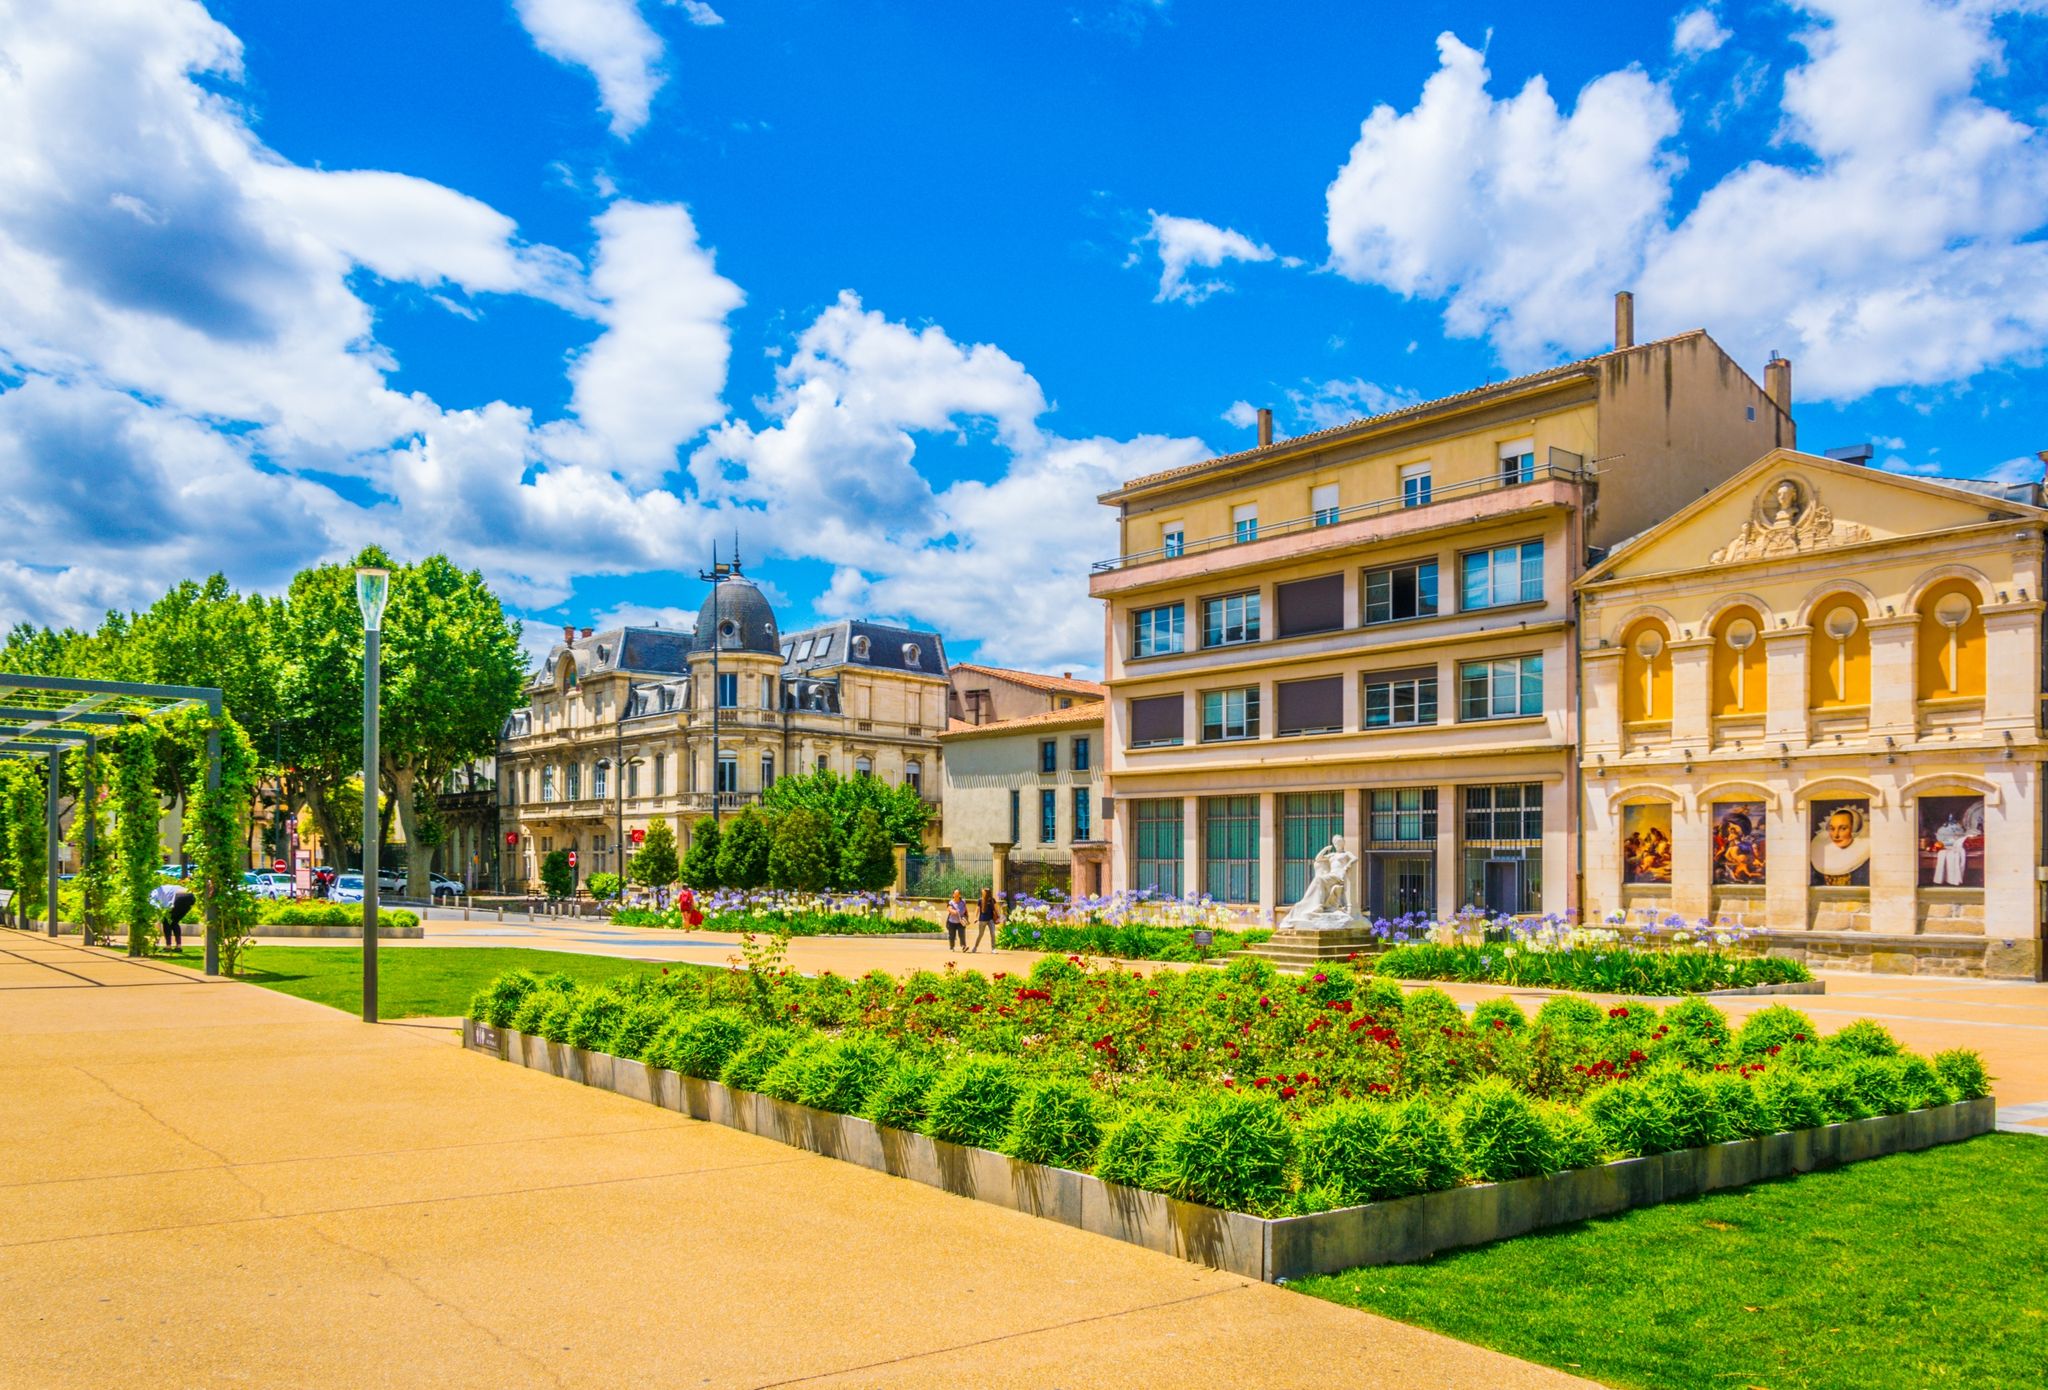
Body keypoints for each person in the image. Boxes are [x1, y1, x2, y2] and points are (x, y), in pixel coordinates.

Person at [969, 886, 1000, 952]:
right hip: (982, 920)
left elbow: (996, 909)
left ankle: (993, 949)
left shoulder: (992, 900)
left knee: (993, 934)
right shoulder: (980, 900)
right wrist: (975, 918)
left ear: (987, 893)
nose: (982, 893)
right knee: (980, 934)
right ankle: (975, 947)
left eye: (983, 892)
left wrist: (998, 917)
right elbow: (977, 910)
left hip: (990, 920)